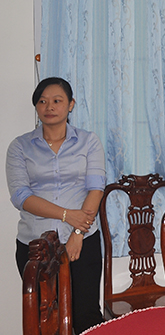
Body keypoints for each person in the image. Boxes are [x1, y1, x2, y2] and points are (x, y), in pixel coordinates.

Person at [7, 77, 105, 333]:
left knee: (86, 316)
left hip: (82, 241)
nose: (49, 106)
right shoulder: (19, 146)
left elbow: (96, 188)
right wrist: (66, 215)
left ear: (71, 105)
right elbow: (21, 196)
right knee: (43, 322)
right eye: (42, 101)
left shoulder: (88, 141)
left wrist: (78, 232)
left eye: (57, 101)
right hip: (35, 247)